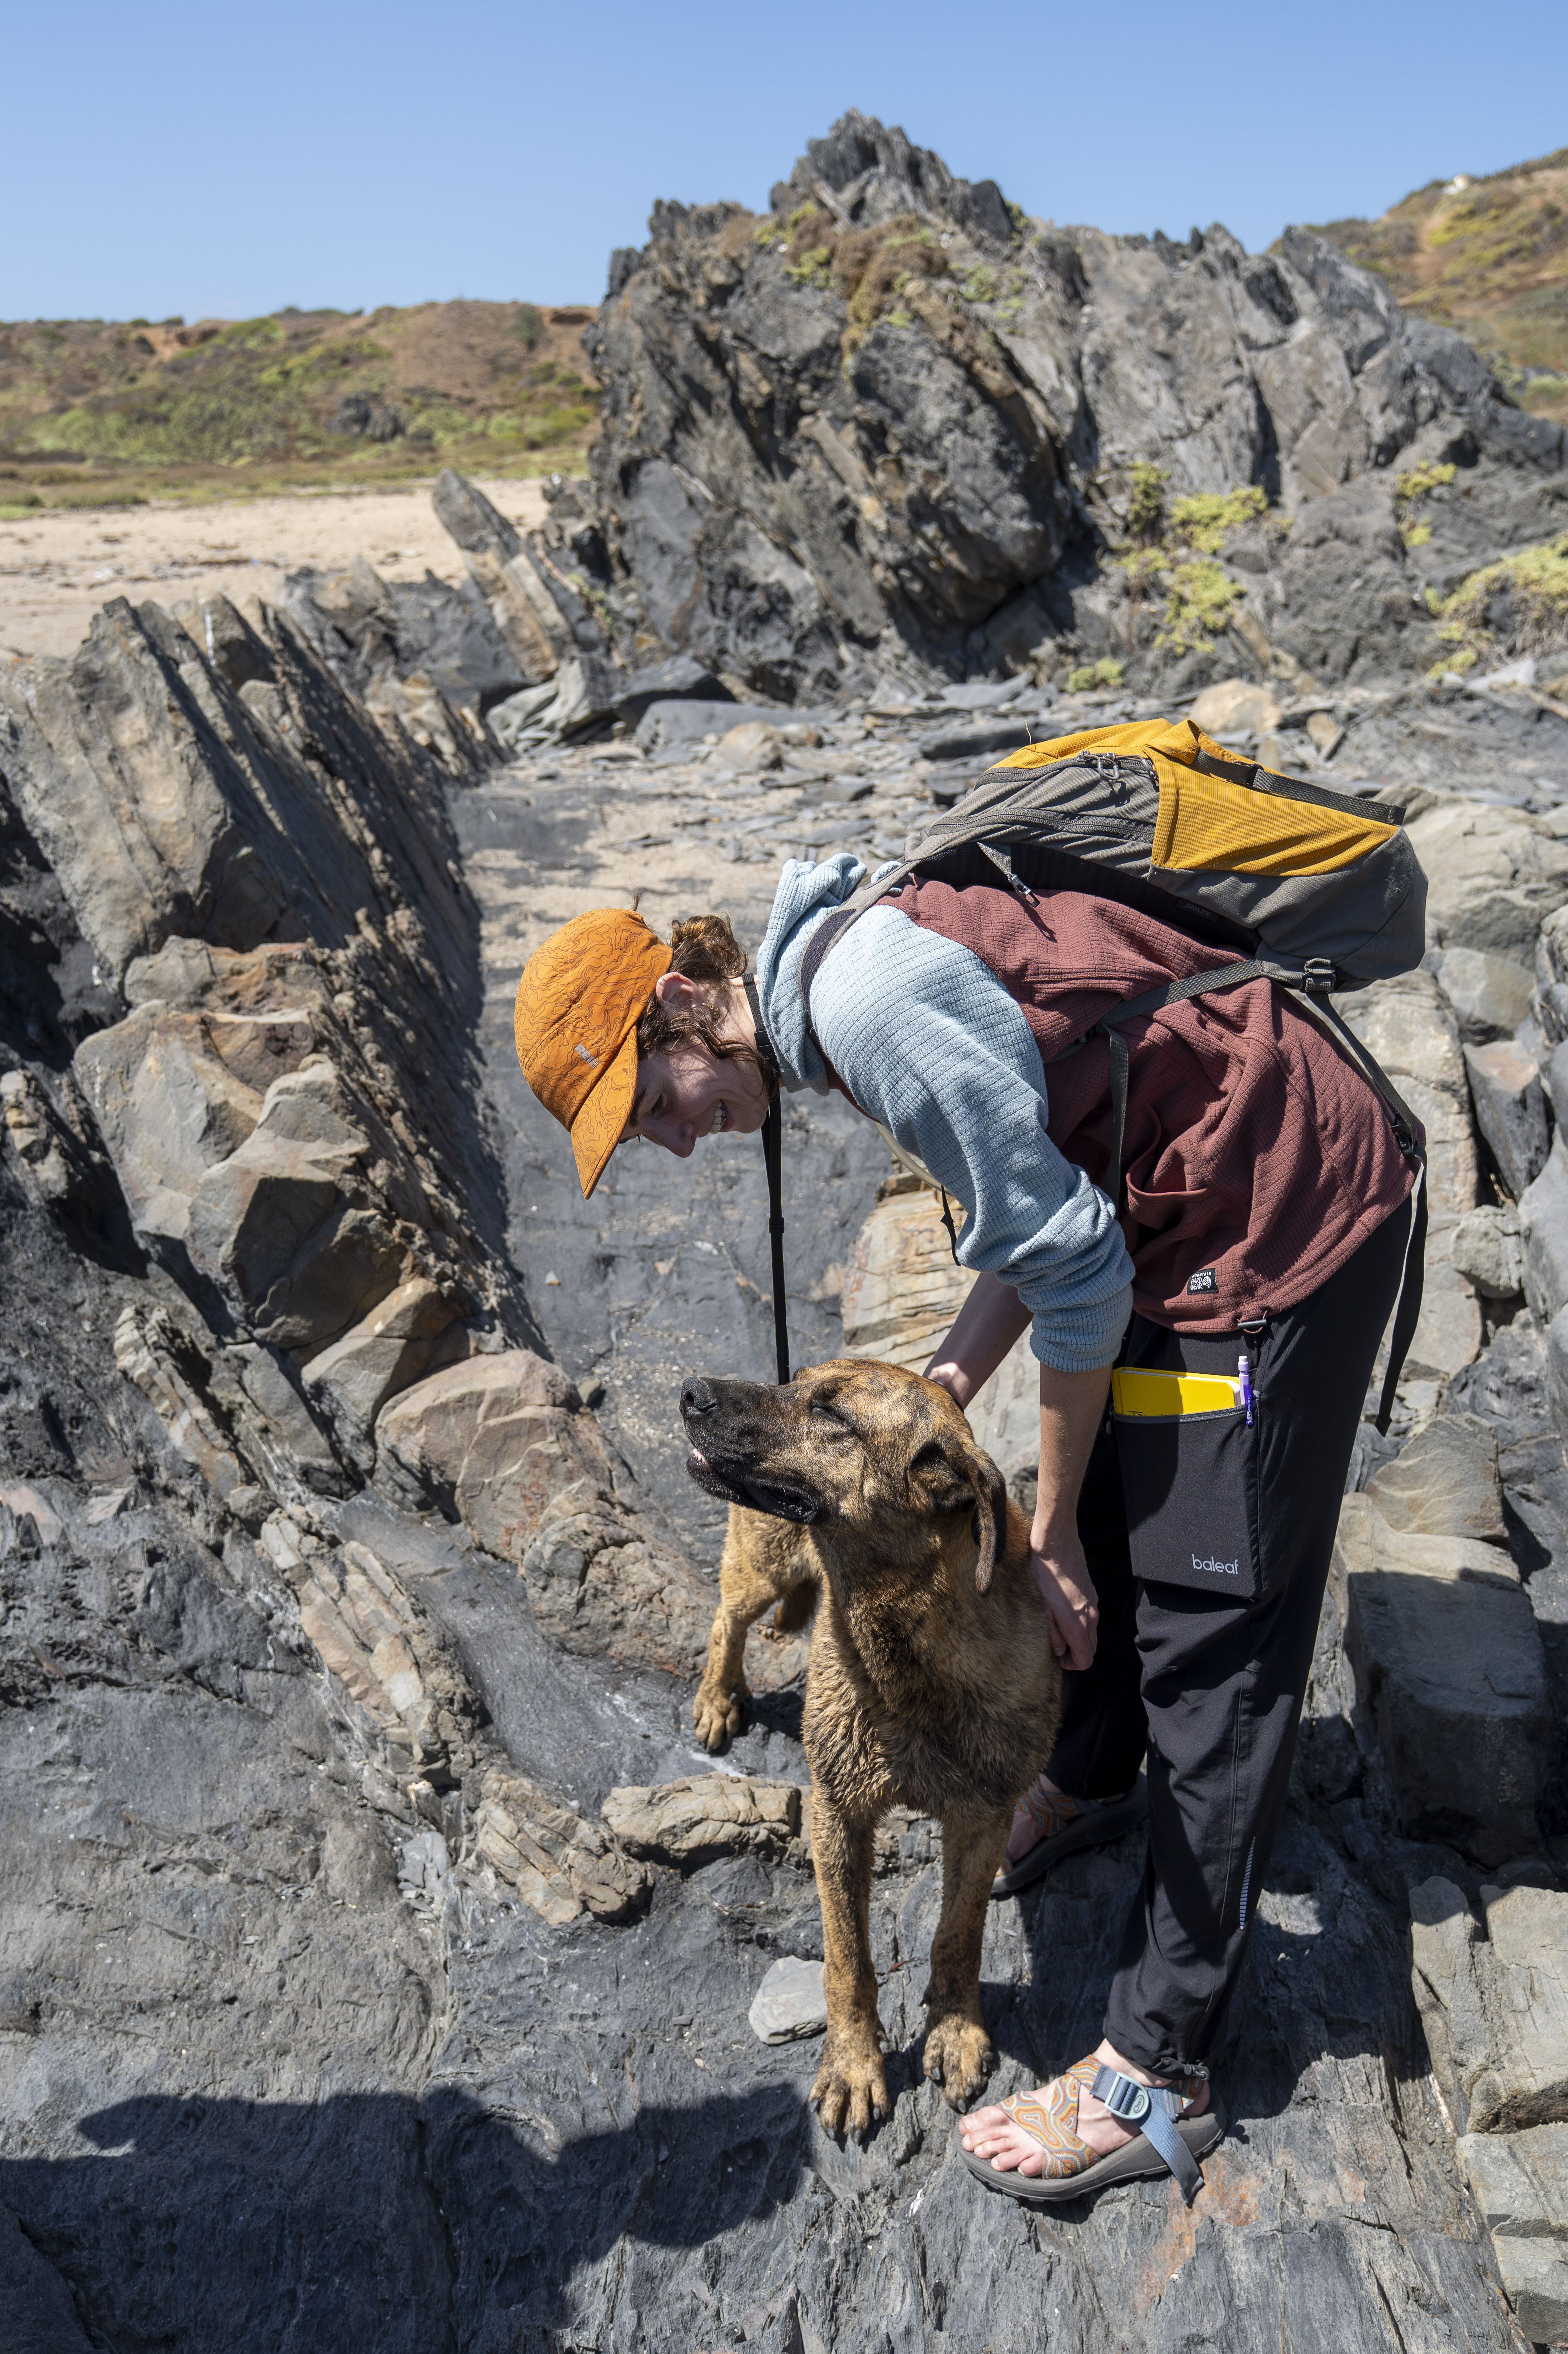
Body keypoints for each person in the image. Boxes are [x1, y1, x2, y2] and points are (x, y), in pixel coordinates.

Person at [514, 844, 1415, 2203]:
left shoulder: (868, 1011)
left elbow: (1073, 1270)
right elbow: (1039, 1201)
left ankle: (1160, 2064)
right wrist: (953, 1375)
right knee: (1122, 1507)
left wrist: (1038, 1527)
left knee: (1211, 1644)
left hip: (1279, 1210)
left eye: (649, 1105)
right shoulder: (840, 985)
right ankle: (1097, 1775)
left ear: (684, 1007)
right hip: (1176, 1214)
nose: (673, 1140)